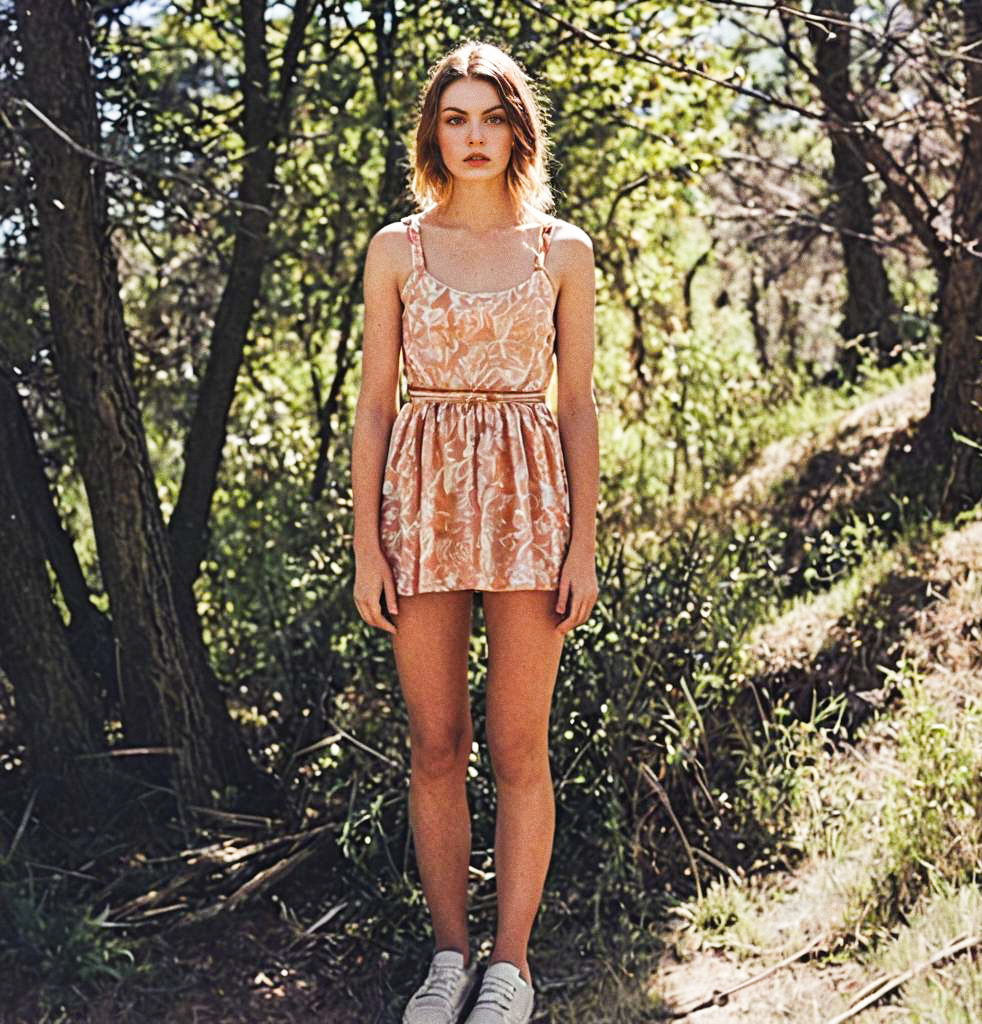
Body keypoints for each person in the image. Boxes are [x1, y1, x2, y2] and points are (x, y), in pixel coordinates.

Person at [351, 39, 599, 1024]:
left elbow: (575, 404)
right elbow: (375, 405)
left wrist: (583, 542)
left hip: (532, 503)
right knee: (435, 744)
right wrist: (366, 544)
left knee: (517, 745)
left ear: (516, 128)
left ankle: (511, 968)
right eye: (454, 117)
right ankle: (447, 958)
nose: (472, 135)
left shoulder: (562, 250)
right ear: (432, 131)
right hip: (418, 504)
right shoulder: (395, 249)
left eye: (490, 116)